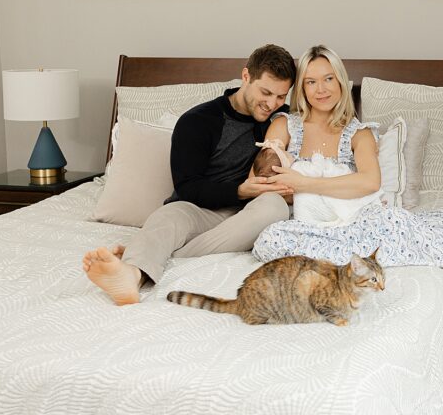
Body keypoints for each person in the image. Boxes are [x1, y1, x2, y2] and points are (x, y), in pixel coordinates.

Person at [251, 45, 443, 340]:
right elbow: (264, 175)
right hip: (308, 224)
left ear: (341, 81)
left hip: (356, 219)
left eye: (328, 79)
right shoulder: (284, 124)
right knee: (270, 238)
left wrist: (305, 184)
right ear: (301, 87)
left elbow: (369, 182)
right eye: (311, 82)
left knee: (398, 222)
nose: (321, 90)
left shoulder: (358, 132)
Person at [83, 44, 297, 305]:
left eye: (280, 96)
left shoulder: (281, 119)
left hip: (248, 214)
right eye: (266, 92)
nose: (272, 104)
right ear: (246, 77)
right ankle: (131, 274)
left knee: (274, 207)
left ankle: (150, 253)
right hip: (199, 209)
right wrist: (241, 189)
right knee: (167, 217)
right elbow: (187, 187)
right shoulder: (198, 121)